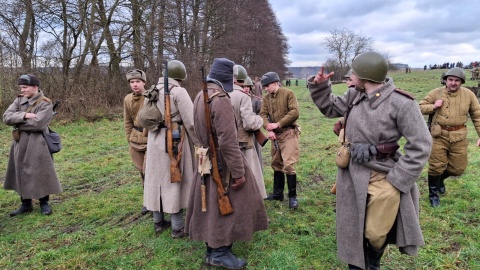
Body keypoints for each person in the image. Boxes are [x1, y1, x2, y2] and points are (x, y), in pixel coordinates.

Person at [308, 51, 432, 269]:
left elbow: (421, 144)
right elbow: (330, 108)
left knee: (375, 232)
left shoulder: (402, 103)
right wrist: (319, 87)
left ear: (365, 75)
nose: (350, 76)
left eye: (354, 72)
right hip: (351, 174)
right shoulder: (355, 95)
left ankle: (373, 263)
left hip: (384, 175)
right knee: (352, 229)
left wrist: (398, 179)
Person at [185, 58, 268, 269]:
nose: (234, 80)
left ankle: (213, 249)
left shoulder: (200, 94)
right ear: (226, 76)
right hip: (222, 161)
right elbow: (228, 141)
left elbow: (195, 129)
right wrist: (239, 172)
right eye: (232, 76)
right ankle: (220, 252)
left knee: (212, 204)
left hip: (207, 158)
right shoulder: (219, 98)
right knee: (226, 204)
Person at [142, 60, 199, 238]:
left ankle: (158, 223)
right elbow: (190, 121)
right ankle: (177, 228)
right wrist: (199, 141)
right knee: (174, 182)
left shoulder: (151, 90)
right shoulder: (178, 91)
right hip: (175, 142)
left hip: (154, 141)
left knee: (156, 181)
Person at [419, 67, 480, 207]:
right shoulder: (436, 93)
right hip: (438, 135)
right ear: (445, 80)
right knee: (436, 166)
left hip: (459, 136)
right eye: (450, 79)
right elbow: (420, 107)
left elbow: (477, 115)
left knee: (458, 169)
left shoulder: (469, 95)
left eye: (456, 80)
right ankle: (433, 195)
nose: (453, 83)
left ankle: (440, 180)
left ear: (461, 82)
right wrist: (433, 106)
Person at [3, 74, 62, 216]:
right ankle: (26, 204)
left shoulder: (45, 103)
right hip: (20, 144)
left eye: (25, 87)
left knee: (41, 171)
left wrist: (17, 121)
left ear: (35, 87)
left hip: (38, 143)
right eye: (21, 87)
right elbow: (6, 117)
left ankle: (44, 203)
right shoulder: (18, 100)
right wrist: (24, 116)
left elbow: (39, 124)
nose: (22, 90)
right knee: (21, 171)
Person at [259, 71, 301, 209]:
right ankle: (278, 194)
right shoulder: (266, 99)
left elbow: (294, 112)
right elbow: (263, 114)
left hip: (288, 133)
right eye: (264, 86)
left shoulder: (288, 94)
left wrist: (278, 124)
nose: (266, 88)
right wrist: (268, 128)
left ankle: (293, 197)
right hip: (274, 136)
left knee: (289, 164)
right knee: (276, 163)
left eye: (267, 85)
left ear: (275, 83)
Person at [231, 65, 266, 198]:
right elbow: (250, 123)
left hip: (230, 141)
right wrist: (259, 120)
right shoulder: (243, 97)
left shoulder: (222, 94)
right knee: (250, 175)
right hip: (244, 141)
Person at [124, 69, 149, 215]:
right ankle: (147, 200)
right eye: (132, 82)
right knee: (142, 171)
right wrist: (129, 137)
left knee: (149, 170)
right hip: (135, 139)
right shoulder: (127, 99)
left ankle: (155, 200)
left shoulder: (151, 96)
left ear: (144, 82)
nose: (135, 85)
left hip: (149, 138)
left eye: (138, 81)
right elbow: (127, 120)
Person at [244, 76, 264, 173]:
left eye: (248, 86)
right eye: (244, 86)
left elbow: (261, 115)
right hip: (243, 133)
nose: (246, 88)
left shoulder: (256, 101)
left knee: (257, 153)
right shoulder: (239, 98)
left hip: (254, 131)